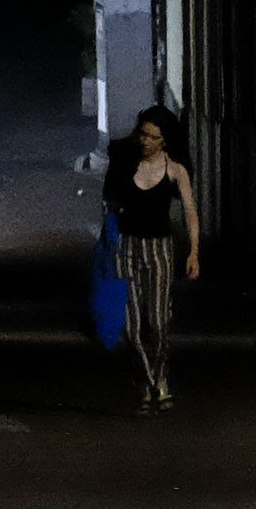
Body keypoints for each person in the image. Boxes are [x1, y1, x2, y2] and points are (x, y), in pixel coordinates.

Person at [106, 105, 200, 410]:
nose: (145, 141)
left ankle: (160, 379)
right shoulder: (125, 164)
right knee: (132, 328)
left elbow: (189, 213)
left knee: (158, 324)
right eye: (142, 134)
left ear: (164, 140)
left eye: (153, 137)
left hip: (159, 249)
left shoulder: (176, 171)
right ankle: (147, 383)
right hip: (128, 248)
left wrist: (194, 252)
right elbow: (110, 203)